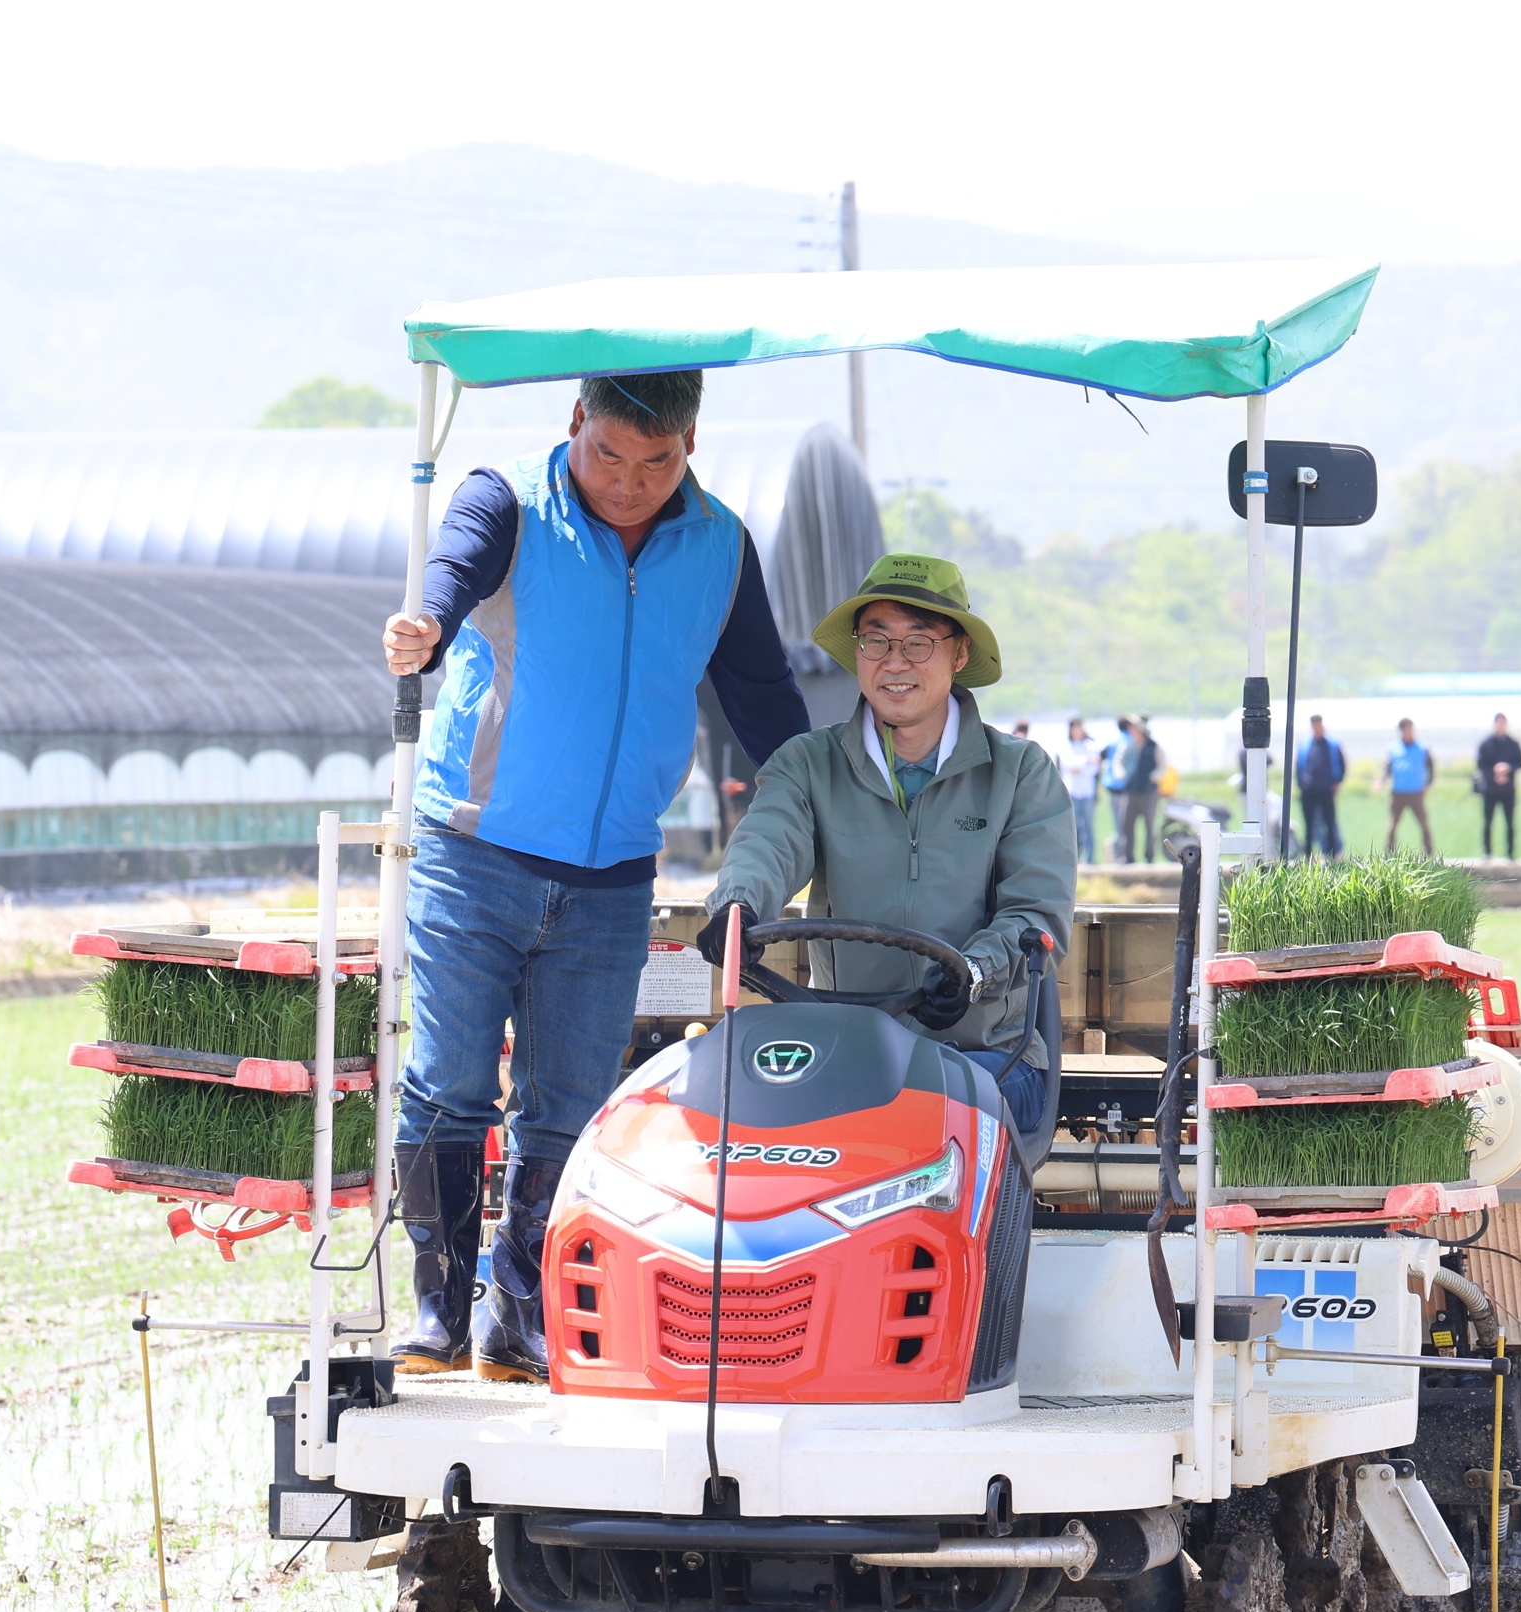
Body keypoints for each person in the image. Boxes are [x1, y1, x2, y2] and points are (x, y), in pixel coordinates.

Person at [380, 368, 811, 1385]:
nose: (627, 482)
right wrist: (426, 626)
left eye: (655, 463)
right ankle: (440, 1307)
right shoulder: (505, 501)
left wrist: (832, 787)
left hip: (614, 875)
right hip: (475, 852)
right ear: (576, 420)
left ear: (691, 445)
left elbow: (763, 694)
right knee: (449, 1084)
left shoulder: (720, 547)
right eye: (608, 453)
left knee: (568, 1103)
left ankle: (520, 1318)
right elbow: (449, 574)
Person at [700, 554, 1075, 1136]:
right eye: (876, 641)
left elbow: (1036, 914)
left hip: (984, 1054)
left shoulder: (1020, 772)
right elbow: (769, 841)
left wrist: (972, 973)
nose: (894, 663)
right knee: (723, 1104)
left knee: (919, 1111)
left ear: (960, 653)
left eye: (918, 642)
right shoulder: (808, 763)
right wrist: (737, 907)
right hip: (845, 1049)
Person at [1107, 715, 1163, 864]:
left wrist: (1154, 776)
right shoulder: (1127, 746)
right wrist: (1121, 774)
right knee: (1126, 825)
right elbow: (1117, 762)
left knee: (1150, 825)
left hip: (1148, 792)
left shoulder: (1153, 746)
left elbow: (1162, 765)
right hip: (1130, 791)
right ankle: (1127, 856)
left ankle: (1149, 855)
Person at [1294, 715, 1347, 859]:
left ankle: (1332, 854)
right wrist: (1301, 783)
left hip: (1326, 791)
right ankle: (1308, 855)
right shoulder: (1305, 744)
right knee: (1309, 825)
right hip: (1309, 791)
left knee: (1329, 823)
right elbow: (1299, 766)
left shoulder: (1332, 744)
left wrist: (1337, 781)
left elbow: (1341, 763)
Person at [1473, 712, 1521, 860]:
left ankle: (1510, 853)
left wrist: (1507, 769)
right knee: (1488, 822)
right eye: (1499, 723)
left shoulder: (1513, 743)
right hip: (1490, 789)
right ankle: (1487, 852)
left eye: (1503, 723)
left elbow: (1520, 762)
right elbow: (1481, 764)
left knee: (1510, 822)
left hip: (1508, 789)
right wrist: (1494, 773)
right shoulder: (1486, 743)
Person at [1384, 718, 1435, 855]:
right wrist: (1381, 781)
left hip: (1416, 792)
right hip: (1398, 792)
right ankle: (1389, 854)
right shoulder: (1393, 748)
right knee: (1392, 825)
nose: (1409, 732)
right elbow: (1387, 768)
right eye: (1406, 730)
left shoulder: (1422, 747)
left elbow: (1430, 767)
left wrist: (1428, 783)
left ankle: (1429, 854)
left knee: (1424, 824)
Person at [1057, 716, 1103, 864]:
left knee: (1089, 825)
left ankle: (1090, 857)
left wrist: (1081, 766)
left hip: (1087, 791)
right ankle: (1074, 858)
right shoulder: (1065, 746)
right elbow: (1067, 765)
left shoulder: (1091, 746)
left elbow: (1094, 768)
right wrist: (1086, 762)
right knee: (1073, 826)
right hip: (1072, 791)